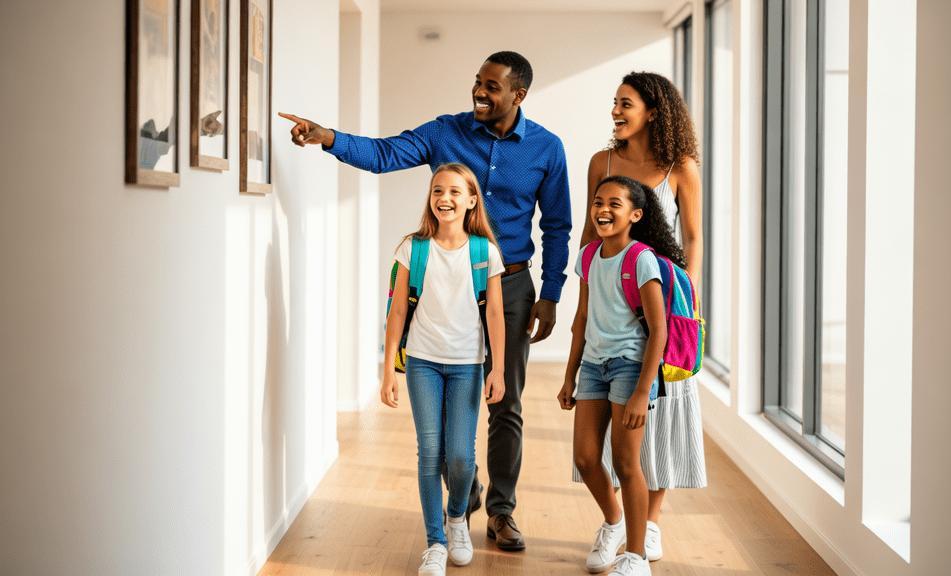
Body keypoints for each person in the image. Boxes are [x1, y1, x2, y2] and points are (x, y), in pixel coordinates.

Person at [279, 51, 571, 551]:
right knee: (449, 398)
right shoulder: (445, 132)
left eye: (492, 86)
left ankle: (501, 511)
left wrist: (550, 294)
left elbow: (557, 225)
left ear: (518, 95)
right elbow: (385, 154)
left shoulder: (547, 148)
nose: (479, 92)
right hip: (449, 284)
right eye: (477, 81)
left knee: (506, 400)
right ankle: (465, 488)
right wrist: (327, 137)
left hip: (514, 284)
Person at [573, 71, 709, 564]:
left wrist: (687, 297)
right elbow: (592, 231)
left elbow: (691, 235)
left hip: (662, 300)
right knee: (607, 437)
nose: (616, 110)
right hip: (612, 297)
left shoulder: (681, 166)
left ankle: (649, 525)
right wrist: (585, 294)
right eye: (614, 102)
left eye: (625, 103)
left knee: (665, 416)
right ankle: (617, 521)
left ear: (653, 110)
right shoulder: (602, 161)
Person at [381, 163, 507, 575]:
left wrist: (498, 370)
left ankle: (457, 518)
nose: (445, 199)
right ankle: (435, 541)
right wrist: (387, 371)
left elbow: (496, 318)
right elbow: (398, 311)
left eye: (455, 192)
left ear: (472, 200)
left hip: (468, 364)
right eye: (438, 190)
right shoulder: (412, 248)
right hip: (422, 362)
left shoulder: (483, 252)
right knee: (429, 452)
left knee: (459, 457)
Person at [559, 175, 686, 576]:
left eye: (615, 204)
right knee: (585, 457)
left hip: (630, 367)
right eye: (598, 202)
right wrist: (569, 376)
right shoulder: (587, 256)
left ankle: (636, 557)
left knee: (627, 463)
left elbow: (659, 329)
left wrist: (642, 390)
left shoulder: (642, 258)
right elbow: (581, 318)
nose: (603, 210)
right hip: (594, 367)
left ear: (635, 215)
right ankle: (613, 522)